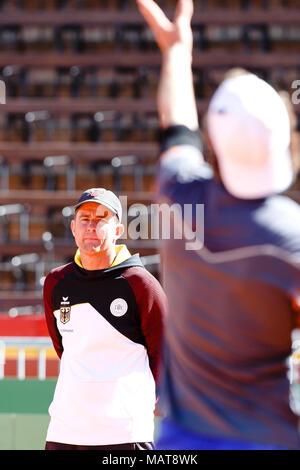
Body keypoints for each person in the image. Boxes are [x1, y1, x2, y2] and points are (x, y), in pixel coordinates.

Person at [137, 0, 300, 450]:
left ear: (214, 140)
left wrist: (175, 52)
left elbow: (177, 128)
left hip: (182, 441)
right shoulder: (291, 237)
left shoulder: (178, 193)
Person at [43, 187, 166, 450]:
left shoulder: (141, 283)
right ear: (74, 228)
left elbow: (165, 353)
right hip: (66, 428)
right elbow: (63, 347)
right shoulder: (56, 283)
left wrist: (141, 403)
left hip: (124, 431)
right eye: (85, 220)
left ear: (118, 231)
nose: (92, 226)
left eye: (101, 219)